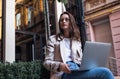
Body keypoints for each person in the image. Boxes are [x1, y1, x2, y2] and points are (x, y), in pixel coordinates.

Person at [43, 11, 114, 79]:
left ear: (71, 22)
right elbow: (46, 62)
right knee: (105, 72)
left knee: (100, 71)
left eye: (66, 19)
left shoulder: (76, 40)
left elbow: (80, 60)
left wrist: (90, 64)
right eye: (61, 20)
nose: (64, 21)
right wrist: (60, 66)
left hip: (78, 70)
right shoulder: (53, 39)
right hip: (63, 72)